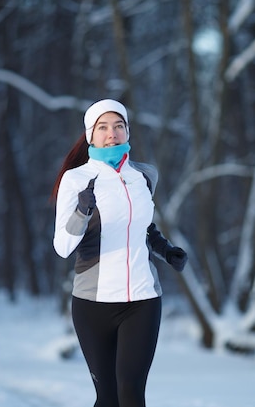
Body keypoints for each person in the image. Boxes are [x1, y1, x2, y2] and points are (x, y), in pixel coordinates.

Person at [51, 99, 187, 407]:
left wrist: (165, 249)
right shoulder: (76, 180)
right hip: (92, 304)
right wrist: (82, 212)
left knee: (131, 393)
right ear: (91, 136)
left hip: (142, 301)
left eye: (119, 126)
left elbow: (143, 228)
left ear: (128, 132)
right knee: (108, 398)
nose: (112, 133)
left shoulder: (145, 176)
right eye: (103, 127)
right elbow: (62, 247)